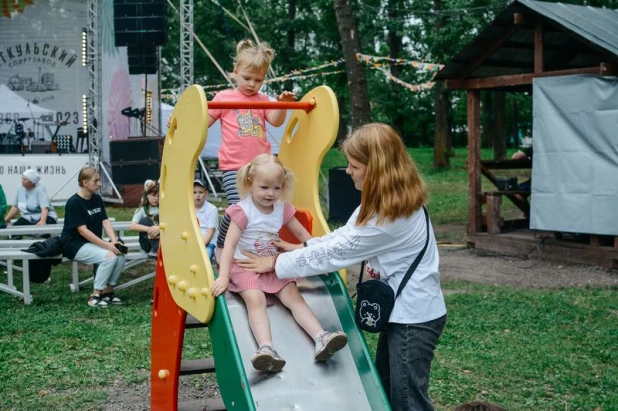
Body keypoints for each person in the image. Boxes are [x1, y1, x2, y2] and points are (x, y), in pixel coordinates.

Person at [238, 124, 447, 410]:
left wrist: (275, 262)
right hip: (403, 311)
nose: (348, 171)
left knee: (408, 401)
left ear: (375, 169)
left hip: (414, 316)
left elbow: (337, 254)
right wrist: (303, 247)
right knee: (388, 391)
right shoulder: (383, 201)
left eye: (354, 165)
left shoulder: (388, 216)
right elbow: (344, 236)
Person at [210, 153, 348, 373]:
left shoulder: (282, 209)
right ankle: (267, 349)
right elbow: (228, 247)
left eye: (276, 188)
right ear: (250, 183)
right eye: (264, 187)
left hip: (272, 264)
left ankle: (321, 337)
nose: (271, 193)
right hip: (245, 265)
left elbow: (304, 235)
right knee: (255, 300)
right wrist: (224, 276)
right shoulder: (242, 212)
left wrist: (321, 252)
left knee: (293, 295)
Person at [60, 167, 126, 307]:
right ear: (85, 182)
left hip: (92, 243)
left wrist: (114, 241)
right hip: (74, 244)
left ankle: (107, 292)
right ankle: (95, 295)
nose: (99, 184)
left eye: (99, 180)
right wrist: (107, 246)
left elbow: (105, 221)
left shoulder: (96, 198)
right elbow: (83, 231)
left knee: (119, 254)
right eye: (95, 181)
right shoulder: (74, 203)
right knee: (110, 256)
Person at [129, 179, 160, 258]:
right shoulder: (142, 209)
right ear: (147, 195)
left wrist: (159, 228)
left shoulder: (163, 208)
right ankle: (156, 249)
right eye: (153, 195)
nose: (156, 198)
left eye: (158, 196)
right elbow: (132, 226)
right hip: (147, 244)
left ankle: (157, 249)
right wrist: (149, 229)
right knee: (144, 221)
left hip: (162, 240)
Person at [193, 178, 219, 261]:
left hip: (208, 241)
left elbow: (210, 233)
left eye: (200, 192)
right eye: (194, 192)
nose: (197, 195)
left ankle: (210, 273)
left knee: (205, 256)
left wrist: (200, 246)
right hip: (194, 240)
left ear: (206, 193)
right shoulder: (188, 209)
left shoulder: (212, 209)